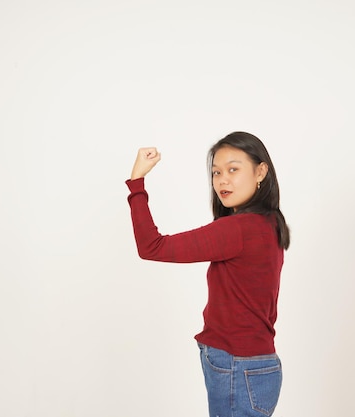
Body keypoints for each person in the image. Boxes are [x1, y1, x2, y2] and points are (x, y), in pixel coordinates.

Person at [125, 131, 290, 417]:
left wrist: (137, 183)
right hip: (259, 365)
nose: (222, 180)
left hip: (238, 366)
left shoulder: (238, 229)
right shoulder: (270, 224)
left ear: (261, 171)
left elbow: (151, 247)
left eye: (233, 169)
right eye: (216, 172)